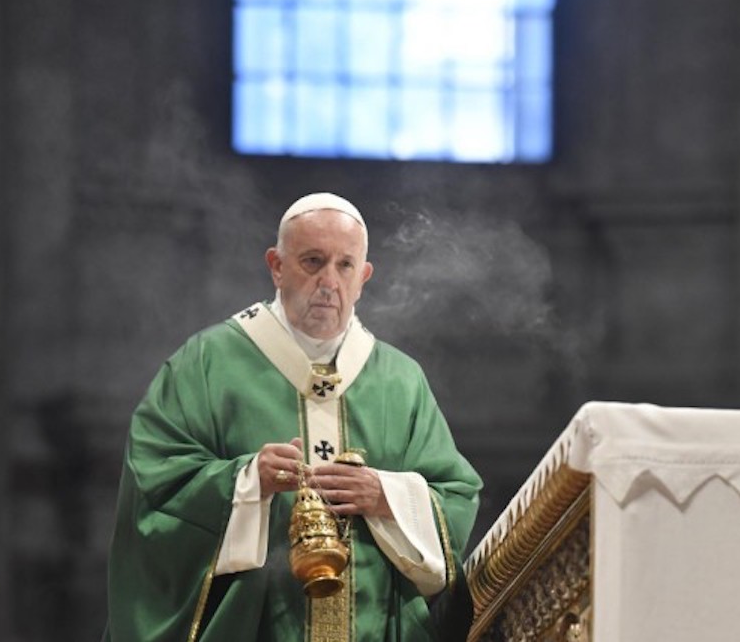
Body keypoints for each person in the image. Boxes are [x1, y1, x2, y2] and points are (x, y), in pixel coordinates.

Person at [104, 193, 483, 642]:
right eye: (312, 261)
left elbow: (457, 496)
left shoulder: (400, 380)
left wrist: (390, 497)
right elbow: (156, 484)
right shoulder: (207, 362)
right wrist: (247, 482)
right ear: (276, 266)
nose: (328, 282)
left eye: (345, 266)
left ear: (363, 277)